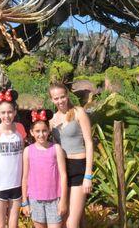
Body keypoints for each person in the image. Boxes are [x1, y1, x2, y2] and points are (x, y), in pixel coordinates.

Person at [49, 83, 93, 228]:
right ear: (52, 100)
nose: (60, 101)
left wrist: (88, 176)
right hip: (62, 170)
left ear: (67, 96)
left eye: (62, 97)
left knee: (72, 222)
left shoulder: (79, 112)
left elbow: (89, 143)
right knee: (61, 217)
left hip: (78, 168)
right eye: (56, 98)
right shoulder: (52, 120)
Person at [0, 88, 26, 228]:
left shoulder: (20, 129)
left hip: (17, 184)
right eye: (3, 112)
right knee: (0, 224)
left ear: (14, 112)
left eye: (9, 112)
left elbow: (24, 158)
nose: (6, 116)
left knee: (14, 224)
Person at [21, 109, 68, 228]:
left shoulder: (56, 149)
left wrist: (63, 200)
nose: (41, 134)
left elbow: (63, 175)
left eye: (44, 131)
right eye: (37, 131)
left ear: (49, 131)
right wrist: (25, 202)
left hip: (54, 199)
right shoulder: (28, 151)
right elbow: (25, 178)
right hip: (35, 199)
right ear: (31, 132)